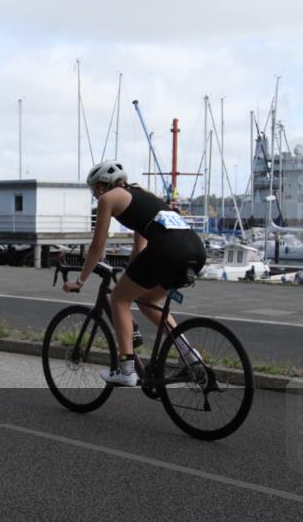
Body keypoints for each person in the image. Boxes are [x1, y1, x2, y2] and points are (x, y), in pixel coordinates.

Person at [63, 160, 207, 386]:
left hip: (168, 252)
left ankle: (127, 369)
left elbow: (97, 247)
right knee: (145, 300)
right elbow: (140, 248)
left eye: (94, 191)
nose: (95, 196)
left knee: (119, 299)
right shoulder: (143, 196)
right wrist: (130, 276)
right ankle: (190, 356)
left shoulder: (108, 199)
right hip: (196, 251)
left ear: (100, 186)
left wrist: (80, 281)